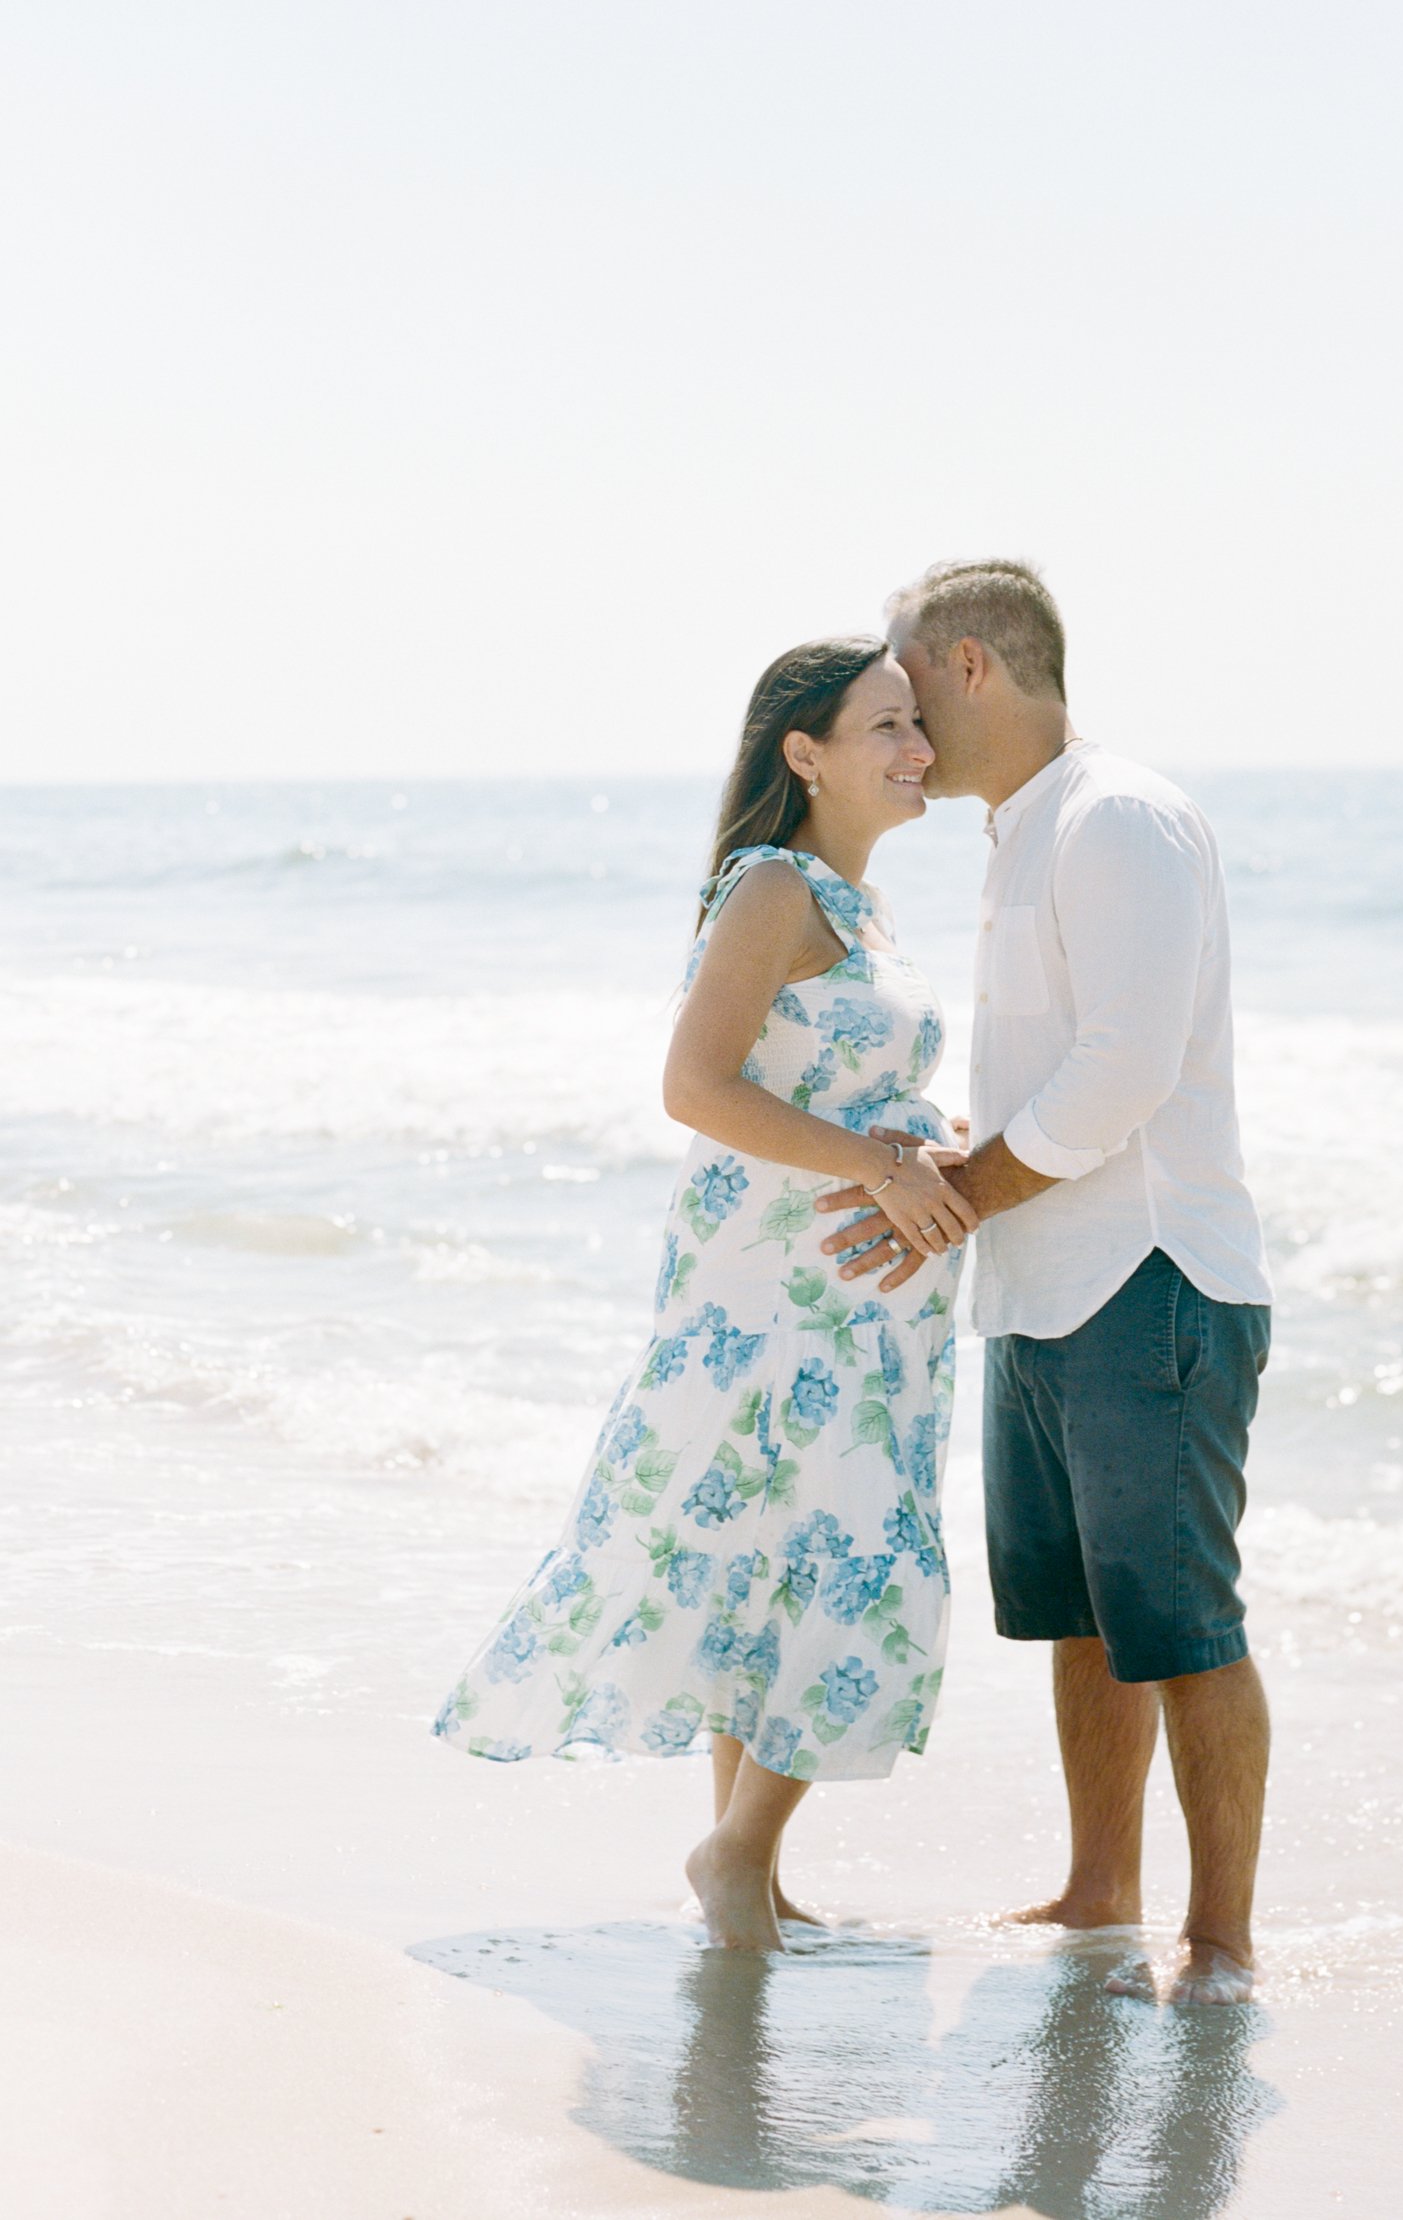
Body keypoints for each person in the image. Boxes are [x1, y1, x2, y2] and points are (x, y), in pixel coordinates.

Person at [434, 637, 977, 1952]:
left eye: (918, 727)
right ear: (805, 755)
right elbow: (696, 1087)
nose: (920, 752)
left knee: (781, 1554)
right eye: (888, 729)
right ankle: (735, 1851)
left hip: (863, 1293)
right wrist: (877, 1164)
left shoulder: (858, 906)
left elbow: (822, 1079)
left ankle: (751, 1870)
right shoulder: (773, 888)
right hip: (778, 1292)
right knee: (839, 1554)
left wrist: (928, 1143)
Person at [817, 561, 1273, 2007]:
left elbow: (1126, 1073)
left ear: (967, 668)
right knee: (1082, 1620)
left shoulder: (1115, 815)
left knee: (1182, 1624)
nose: (900, 735)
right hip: (1036, 1285)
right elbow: (1053, 1074)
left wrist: (954, 1194)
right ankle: (1100, 1894)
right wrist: (955, 1157)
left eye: (905, 700)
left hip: (1151, 1278)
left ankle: (1218, 1943)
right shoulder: (1023, 836)